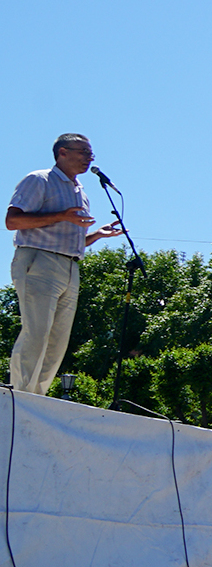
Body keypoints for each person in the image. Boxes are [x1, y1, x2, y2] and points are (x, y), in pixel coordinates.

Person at [6, 133, 122, 396]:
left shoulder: (81, 192)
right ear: (62, 153)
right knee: (36, 332)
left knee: (58, 341)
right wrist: (61, 216)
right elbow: (13, 221)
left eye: (90, 153)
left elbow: (72, 239)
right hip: (39, 260)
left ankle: (37, 398)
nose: (89, 158)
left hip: (70, 266)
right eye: (83, 152)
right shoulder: (39, 180)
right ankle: (19, 396)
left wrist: (96, 235)